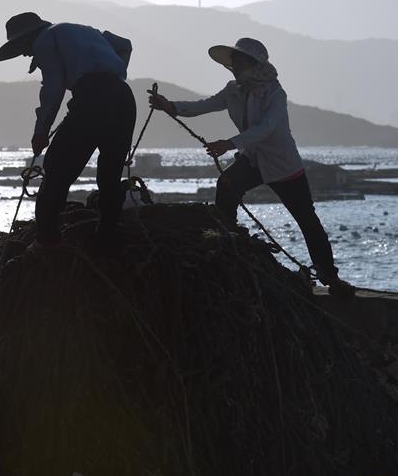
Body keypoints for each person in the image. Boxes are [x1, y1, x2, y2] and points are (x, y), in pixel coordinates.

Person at [148, 37, 354, 296]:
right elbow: (205, 105)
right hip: (253, 159)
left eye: (239, 62)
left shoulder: (275, 93)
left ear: (254, 64)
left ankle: (330, 277)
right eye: (233, 62)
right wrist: (171, 107)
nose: (234, 67)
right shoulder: (232, 90)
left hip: (283, 165)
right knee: (226, 186)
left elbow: (266, 128)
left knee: (306, 220)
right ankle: (228, 242)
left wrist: (230, 143)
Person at [0, 12, 136, 248]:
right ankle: (106, 239)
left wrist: (41, 131)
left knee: (56, 171)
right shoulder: (88, 32)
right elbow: (125, 45)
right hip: (123, 98)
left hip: (91, 100)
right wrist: (115, 75)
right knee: (110, 175)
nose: (26, 54)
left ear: (26, 38)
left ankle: (47, 241)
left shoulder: (45, 40)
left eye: (22, 48)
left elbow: (53, 87)